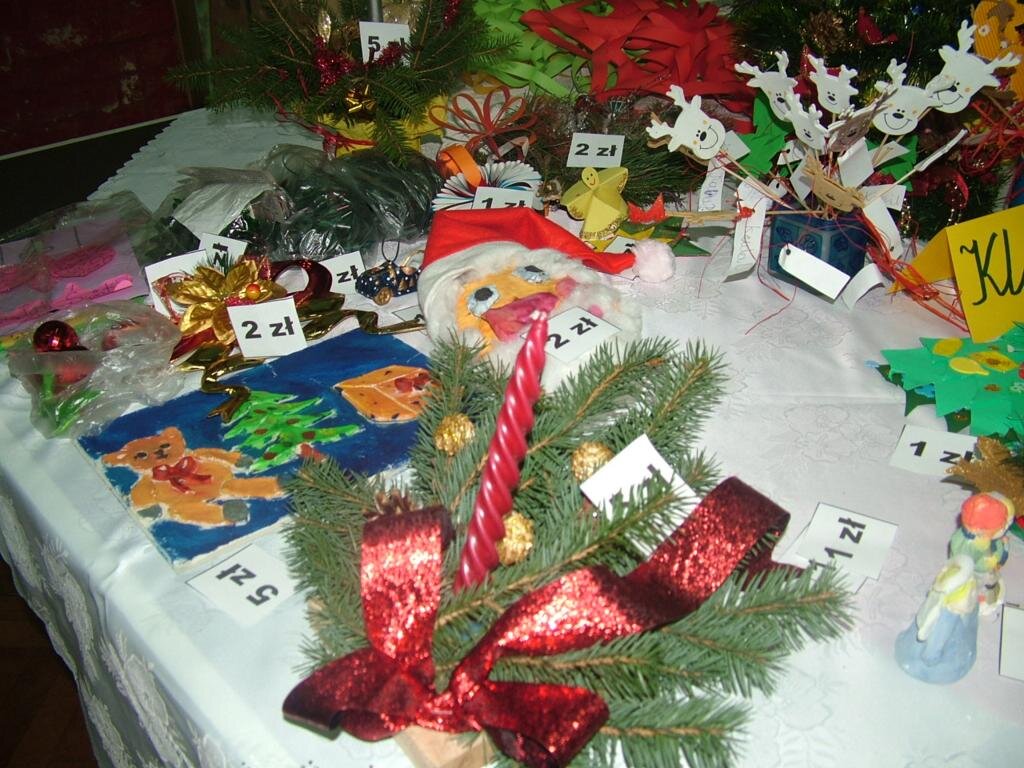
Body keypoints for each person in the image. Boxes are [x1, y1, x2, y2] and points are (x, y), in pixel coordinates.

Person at [894, 554, 978, 684]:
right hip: (942, 608)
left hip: (949, 612)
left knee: (938, 636)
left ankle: (930, 658)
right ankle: (925, 654)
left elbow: (939, 634)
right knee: (927, 631)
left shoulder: (957, 593)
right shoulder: (954, 582)